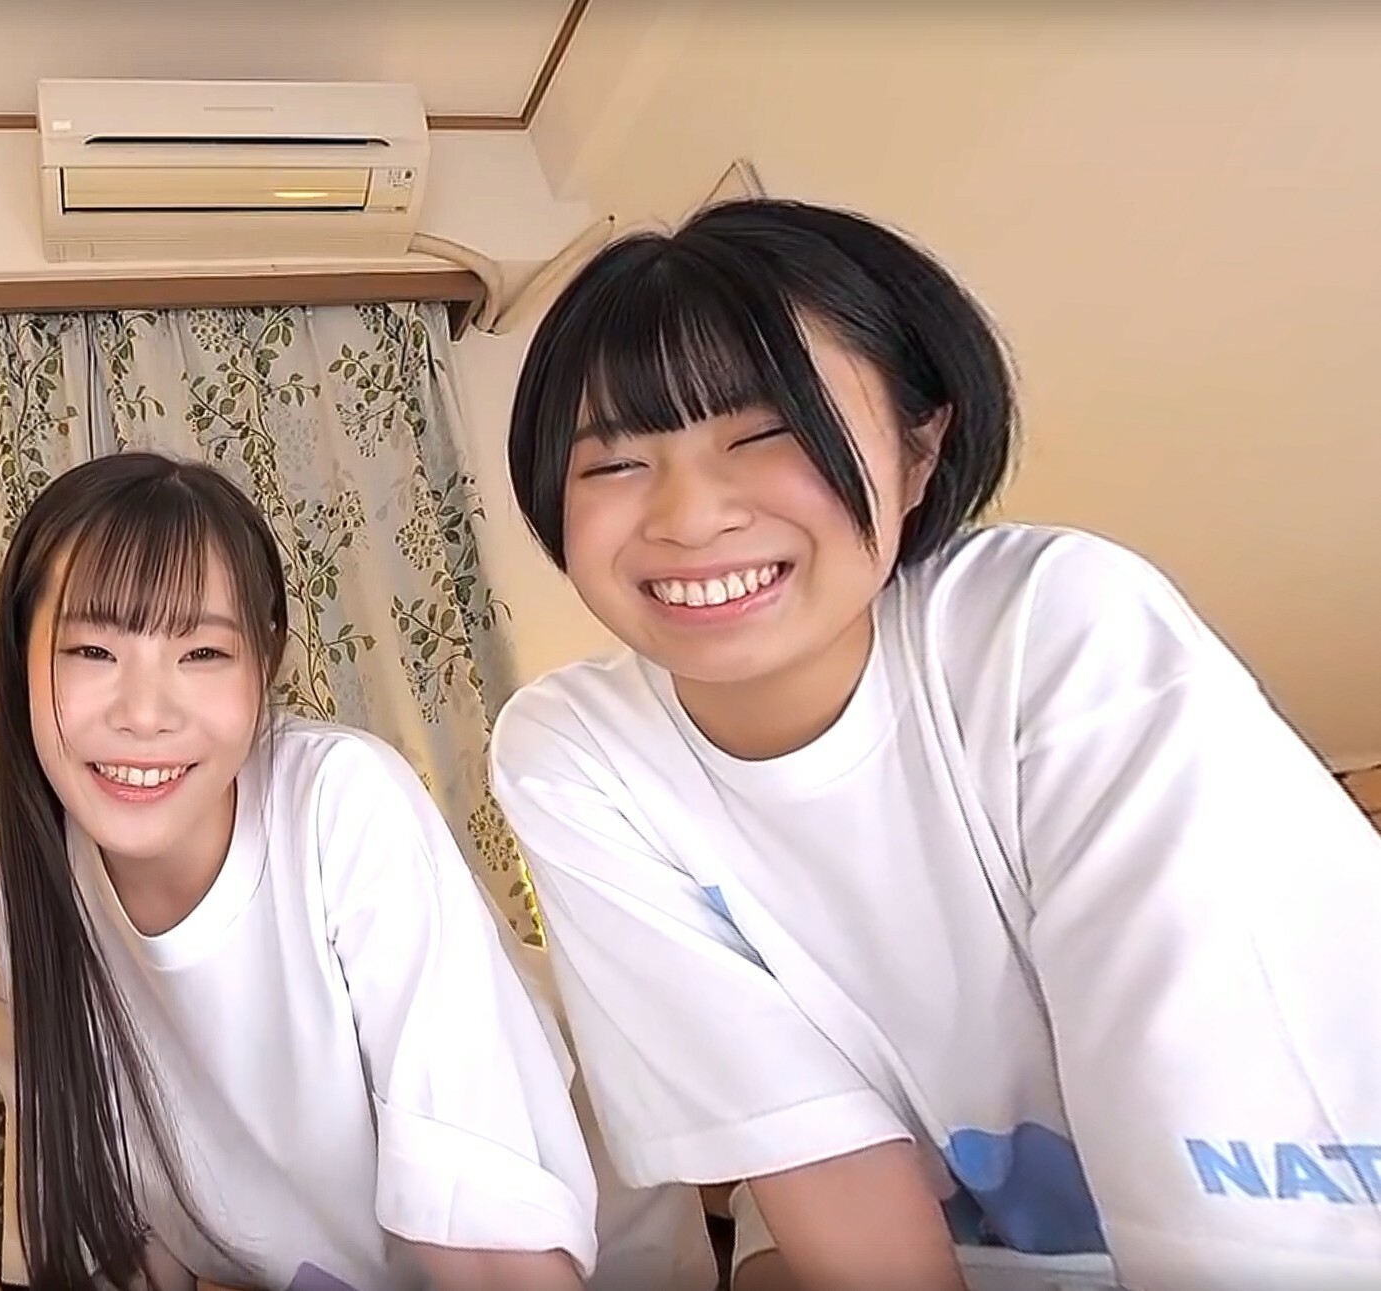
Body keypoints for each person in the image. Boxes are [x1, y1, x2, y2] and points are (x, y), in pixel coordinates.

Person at [488, 196, 1381, 1291]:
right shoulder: (573, 752)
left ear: (919, 448)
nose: (688, 515)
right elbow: (815, 1154)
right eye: (615, 464)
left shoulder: (1051, 626)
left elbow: (1250, 1138)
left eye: (765, 434)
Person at [0, 451, 715, 1291]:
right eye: (92, 650)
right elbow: (116, 1232)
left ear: (266, 664)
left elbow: (494, 1251)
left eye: (203, 652)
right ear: (20, 661)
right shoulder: (10, 896)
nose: (145, 713)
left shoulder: (340, 807)